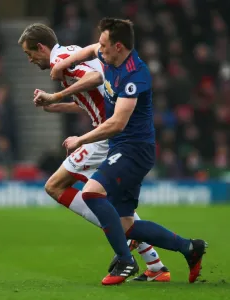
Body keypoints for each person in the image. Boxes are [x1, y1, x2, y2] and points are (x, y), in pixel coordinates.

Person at [51, 17, 207, 285]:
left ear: (119, 46)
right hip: (121, 147)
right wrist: (65, 65)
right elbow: (89, 50)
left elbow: (117, 123)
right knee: (126, 226)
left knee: (91, 193)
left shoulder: (136, 75)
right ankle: (189, 248)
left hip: (135, 150)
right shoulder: (109, 56)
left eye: (104, 44)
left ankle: (124, 262)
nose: (99, 49)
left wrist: (81, 140)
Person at [18, 23, 170, 282]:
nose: (30, 59)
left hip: (104, 135)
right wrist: (54, 106)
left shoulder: (62, 60)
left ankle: (119, 235)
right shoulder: (70, 52)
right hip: (104, 132)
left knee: (56, 186)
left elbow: (96, 79)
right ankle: (156, 267)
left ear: (41, 47)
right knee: (110, 202)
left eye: (29, 53)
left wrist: (55, 96)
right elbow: (93, 98)